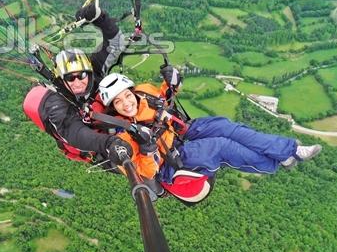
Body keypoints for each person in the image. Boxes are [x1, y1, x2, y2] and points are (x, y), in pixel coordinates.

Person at [98, 68, 322, 197]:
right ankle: (272, 162)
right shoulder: (123, 136)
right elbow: (145, 174)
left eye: (126, 95)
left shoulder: (144, 92)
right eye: (118, 102)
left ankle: (288, 151)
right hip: (171, 159)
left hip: (180, 131)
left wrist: (172, 81)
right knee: (222, 146)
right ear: (113, 108)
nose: (126, 103)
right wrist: (147, 151)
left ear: (131, 91)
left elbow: (164, 97)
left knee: (227, 127)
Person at [24, 0, 133, 167]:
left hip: (116, 124)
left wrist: (100, 19)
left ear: (89, 72)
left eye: (81, 75)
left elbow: (115, 43)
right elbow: (73, 132)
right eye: (70, 78)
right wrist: (107, 143)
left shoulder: (95, 71)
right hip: (100, 148)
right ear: (62, 79)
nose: (77, 82)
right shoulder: (55, 103)